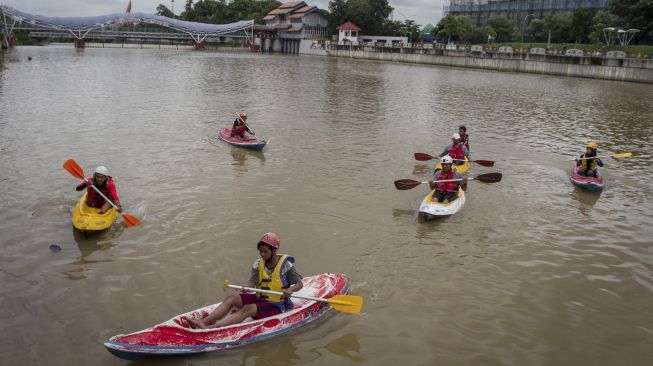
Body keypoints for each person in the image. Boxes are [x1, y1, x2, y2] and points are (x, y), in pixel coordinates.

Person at [187, 232, 303, 329]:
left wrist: (290, 289)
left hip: (278, 305)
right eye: (260, 251)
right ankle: (204, 322)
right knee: (232, 298)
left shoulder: (286, 265)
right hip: (260, 299)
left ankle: (212, 329)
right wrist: (246, 286)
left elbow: (299, 284)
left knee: (249, 308)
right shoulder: (258, 264)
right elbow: (252, 282)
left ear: (274, 251)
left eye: (265, 252)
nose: (262, 254)